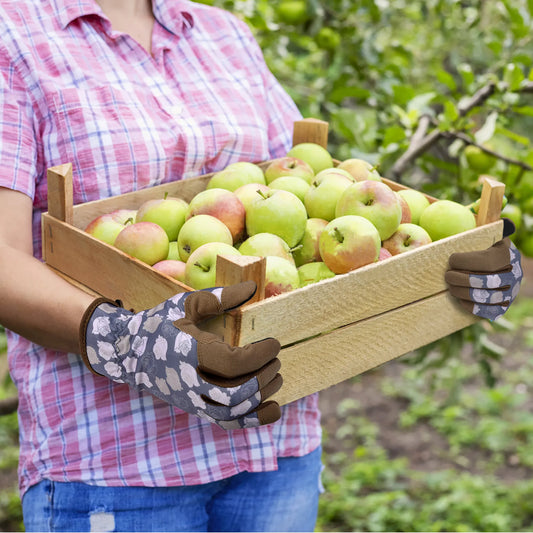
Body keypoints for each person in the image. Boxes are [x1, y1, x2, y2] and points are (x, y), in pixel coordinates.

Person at [0, 0, 522, 531]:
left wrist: (448, 259)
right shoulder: (13, 34)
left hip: (276, 444)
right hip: (118, 463)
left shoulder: (226, 35)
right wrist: (127, 340)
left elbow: (299, 190)